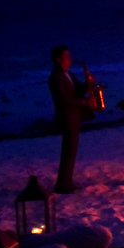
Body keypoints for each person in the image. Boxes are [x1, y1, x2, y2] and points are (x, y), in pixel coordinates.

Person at [48, 45, 94, 194]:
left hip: (73, 116)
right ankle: (62, 184)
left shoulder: (68, 74)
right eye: (67, 57)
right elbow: (64, 100)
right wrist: (85, 102)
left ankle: (66, 181)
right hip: (66, 117)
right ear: (58, 59)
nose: (70, 59)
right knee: (68, 150)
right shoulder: (56, 77)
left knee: (71, 150)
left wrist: (88, 84)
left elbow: (78, 90)